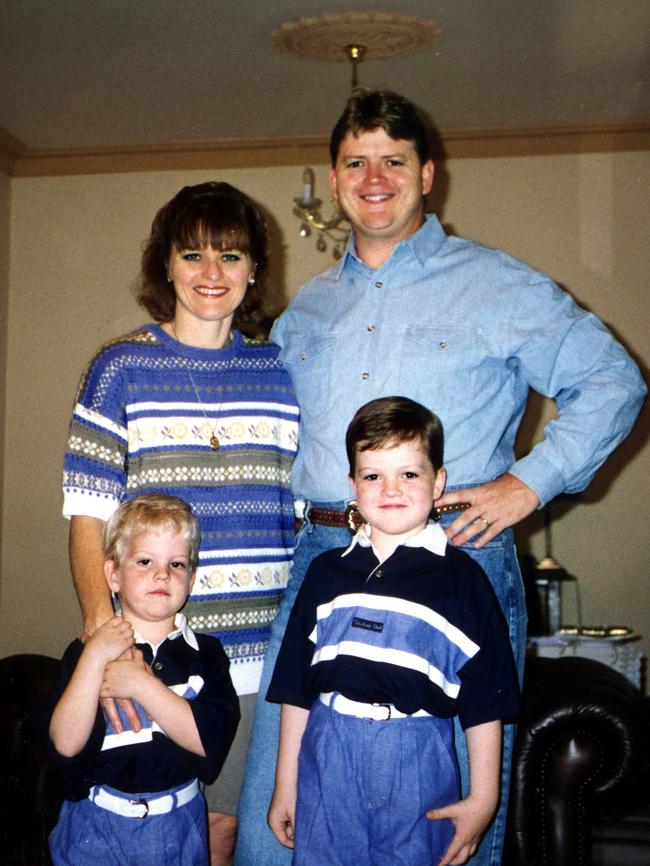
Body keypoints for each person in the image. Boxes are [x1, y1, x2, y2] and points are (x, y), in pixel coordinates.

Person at [234, 89, 646, 866]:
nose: (374, 176)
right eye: (356, 161)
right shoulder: (305, 311)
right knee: (273, 830)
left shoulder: (498, 284)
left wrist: (529, 484)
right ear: (332, 177)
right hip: (320, 567)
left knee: (447, 831)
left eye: (394, 159)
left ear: (429, 173)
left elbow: (615, 380)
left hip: (458, 560)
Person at [62, 181, 299, 864]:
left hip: (260, 654)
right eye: (192, 253)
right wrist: (105, 639)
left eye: (230, 255)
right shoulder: (121, 369)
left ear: (254, 268)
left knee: (224, 832)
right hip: (157, 655)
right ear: (165, 264)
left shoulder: (281, 370)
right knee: (152, 832)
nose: (210, 273)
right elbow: (88, 518)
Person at [266, 397, 520, 866]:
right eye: (373, 475)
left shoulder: (461, 580)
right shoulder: (326, 573)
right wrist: (285, 783)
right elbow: (296, 687)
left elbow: (487, 699)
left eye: (409, 474)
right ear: (352, 486)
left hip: (416, 757)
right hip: (329, 749)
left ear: (437, 481)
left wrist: (484, 798)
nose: (391, 489)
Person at [48, 493, 240, 866]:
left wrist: (140, 685)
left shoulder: (207, 655)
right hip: (96, 826)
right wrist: (95, 657)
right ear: (113, 575)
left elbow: (207, 742)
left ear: (192, 579)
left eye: (177, 563)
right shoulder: (85, 652)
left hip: (179, 827)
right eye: (145, 561)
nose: (162, 573)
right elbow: (66, 744)